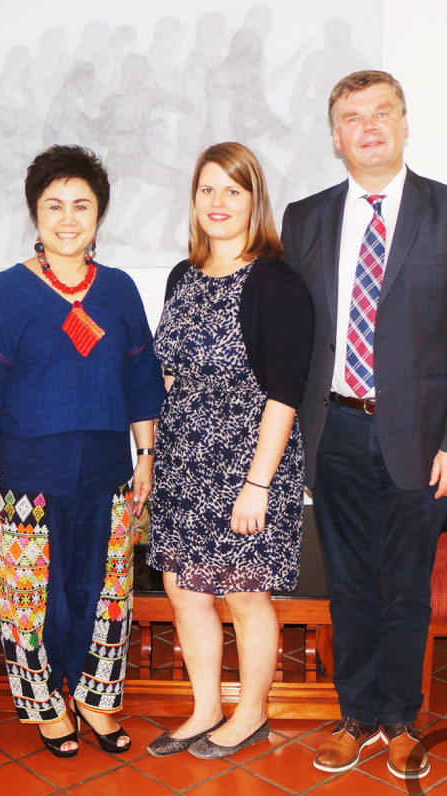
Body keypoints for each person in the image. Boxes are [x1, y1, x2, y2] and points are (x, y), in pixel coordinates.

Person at [280, 71, 447, 779]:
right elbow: (293, 337)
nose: (368, 126)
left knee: (406, 584)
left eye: (382, 112)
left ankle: (400, 718)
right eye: (353, 116)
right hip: (334, 430)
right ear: (335, 136)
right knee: (347, 581)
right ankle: (355, 715)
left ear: (405, 124)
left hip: (425, 439)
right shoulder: (305, 218)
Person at [0, 146, 165, 758]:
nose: (67, 219)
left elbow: (140, 381)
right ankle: (47, 704)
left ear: (98, 215)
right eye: (54, 206)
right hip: (27, 475)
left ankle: (96, 699)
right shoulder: (7, 292)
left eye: (81, 205)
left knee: (103, 592)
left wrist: (146, 456)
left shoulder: (119, 289)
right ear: (35, 214)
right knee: (33, 599)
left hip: (107, 472)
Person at [145, 143, 315, 759]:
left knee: (244, 594)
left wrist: (258, 484)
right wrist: (148, 455)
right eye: (207, 189)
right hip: (183, 460)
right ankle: (205, 708)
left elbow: (285, 393)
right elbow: (166, 373)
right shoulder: (182, 276)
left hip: (249, 462)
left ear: (254, 200)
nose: (218, 202)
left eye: (233, 190)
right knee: (184, 591)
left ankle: (251, 714)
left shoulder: (276, 282)